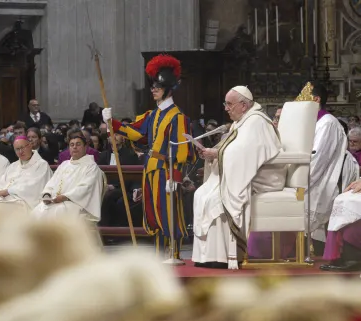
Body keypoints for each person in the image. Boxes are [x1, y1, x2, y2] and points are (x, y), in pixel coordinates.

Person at [102, 54, 196, 257]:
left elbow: (181, 153)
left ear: (168, 89)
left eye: (158, 87)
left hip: (166, 172)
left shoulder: (178, 117)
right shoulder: (152, 115)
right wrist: (113, 123)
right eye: (153, 87)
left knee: (169, 215)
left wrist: (175, 178)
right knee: (153, 216)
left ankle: (174, 256)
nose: (153, 90)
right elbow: (136, 133)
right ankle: (159, 255)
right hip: (151, 171)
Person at [192, 86, 286, 269]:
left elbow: (245, 153)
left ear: (243, 105)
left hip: (263, 175)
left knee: (215, 199)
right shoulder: (242, 121)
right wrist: (213, 153)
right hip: (248, 171)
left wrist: (216, 154)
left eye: (229, 104)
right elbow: (237, 151)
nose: (226, 108)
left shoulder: (256, 121)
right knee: (201, 194)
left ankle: (223, 256)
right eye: (225, 104)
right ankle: (207, 255)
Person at [306, 82, 349, 250]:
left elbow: (318, 157)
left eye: (304, 99)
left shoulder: (327, 123)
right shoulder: (316, 122)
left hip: (321, 178)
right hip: (313, 176)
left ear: (316, 99)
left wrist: (298, 178)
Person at [32, 135, 103, 222]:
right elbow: (52, 182)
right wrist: (47, 194)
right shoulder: (64, 164)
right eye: (72, 145)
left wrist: (65, 197)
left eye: (78, 144)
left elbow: (86, 188)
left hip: (76, 203)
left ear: (85, 147)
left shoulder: (91, 167)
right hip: (55, 200)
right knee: (37, 211)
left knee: (57, 212)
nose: (75, 147)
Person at [0, 136, 52, 212]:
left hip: (24, 202)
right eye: (17, 149)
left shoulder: (41, 165)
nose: (20, 151)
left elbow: (34, 188)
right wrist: (0, 192)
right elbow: (1, 184)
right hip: (5, 199)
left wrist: (9, 191)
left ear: (30, 145)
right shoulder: (13, 166)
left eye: (22, 147)